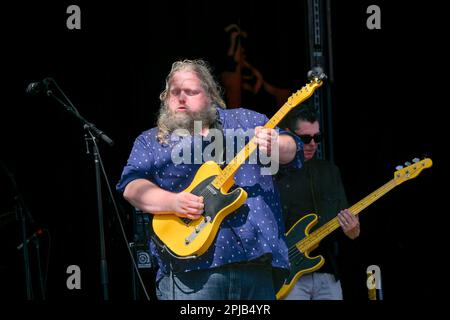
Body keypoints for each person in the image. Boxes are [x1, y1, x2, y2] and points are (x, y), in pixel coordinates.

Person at [116, 59, 303, 300]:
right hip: (190, 271)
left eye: (191, 91)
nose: (182, 98)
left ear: (210, 95)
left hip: (255, 265)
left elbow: (293, 149)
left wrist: (275, 145)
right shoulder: (151, 141)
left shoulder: (246, 121)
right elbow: (132, 186)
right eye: (175, 92)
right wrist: (172, 202)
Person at [275, 104, 360, 300]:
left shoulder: (330, 171)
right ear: (287, 135)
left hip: (327, 273)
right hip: (289, 277)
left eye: (317, 137)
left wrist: (353, 231)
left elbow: (346, 222)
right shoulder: (272, 173)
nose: (313, 144)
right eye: (305, 138)